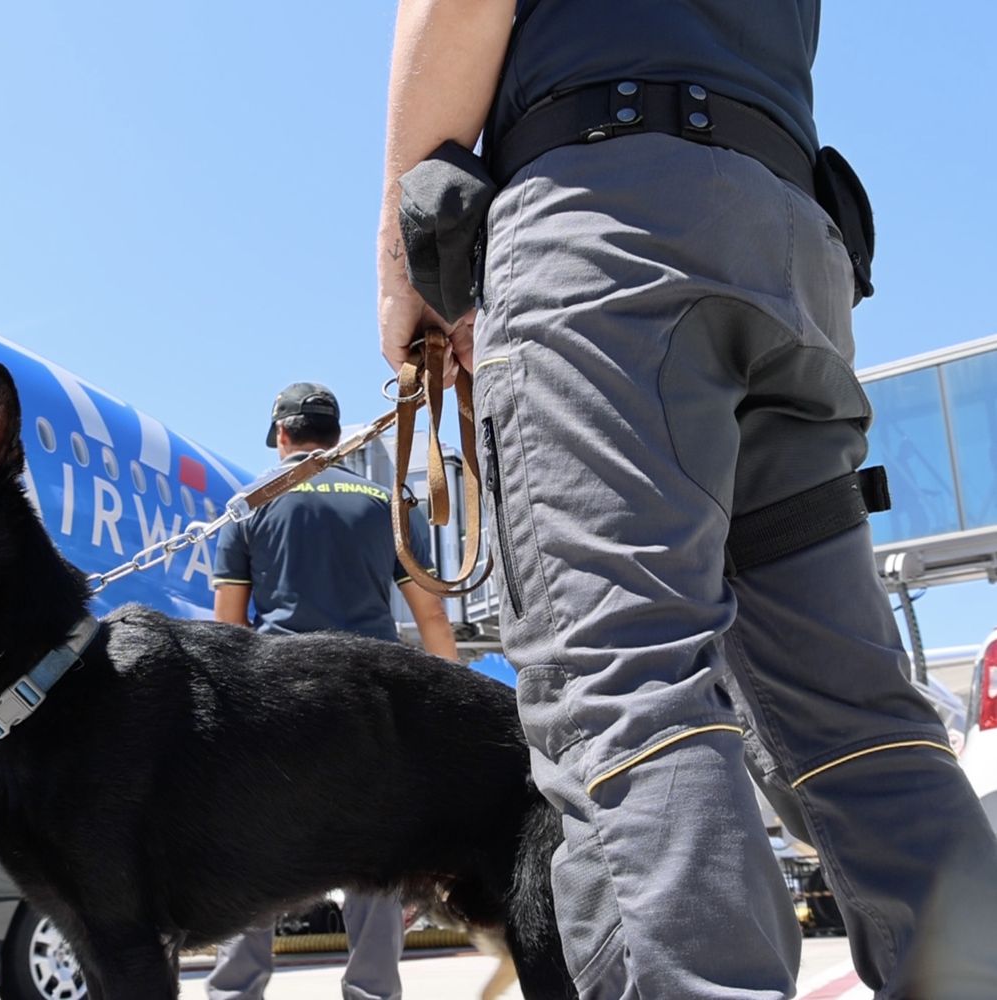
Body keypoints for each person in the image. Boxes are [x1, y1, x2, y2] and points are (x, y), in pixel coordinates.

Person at [376, 3, 997, 998]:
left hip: (608, 234)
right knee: (857, 710)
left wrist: (408, 264)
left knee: (626, 686)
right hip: (787, 242)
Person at [206, 381, 458, 1000]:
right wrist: (446, 707)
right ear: (337, 438)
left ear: (283, 436)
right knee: (374, 860)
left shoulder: (251, 504)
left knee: (253, 851)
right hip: (369, 698)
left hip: (277, 695)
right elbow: (432, 619)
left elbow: (227, 630)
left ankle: (235, 992)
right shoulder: (386, 502)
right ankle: (371, 992)